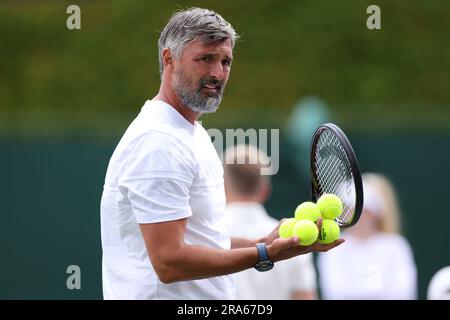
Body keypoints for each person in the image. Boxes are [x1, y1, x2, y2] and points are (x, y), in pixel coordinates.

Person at [100, 7, 343, 300]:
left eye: (225, 61)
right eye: (205, 58)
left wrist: (261, 241)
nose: (217, 73)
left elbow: (203, 239)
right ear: (169, 60)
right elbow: (169, 262)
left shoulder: (191, 133)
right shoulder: (158, 142)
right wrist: (264, 254)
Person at [222, 144, 318, 300]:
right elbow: (304, 297)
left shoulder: (207, 236)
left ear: (222, 187)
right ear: (265, 189)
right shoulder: (293, 238)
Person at [317, 173, 417, 299]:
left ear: (376, 213)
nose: (360, 216)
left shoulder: (396, 246)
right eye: (351, 209)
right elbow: (335, 293)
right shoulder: (334, 248)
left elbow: (404, 292)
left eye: (365, 210)